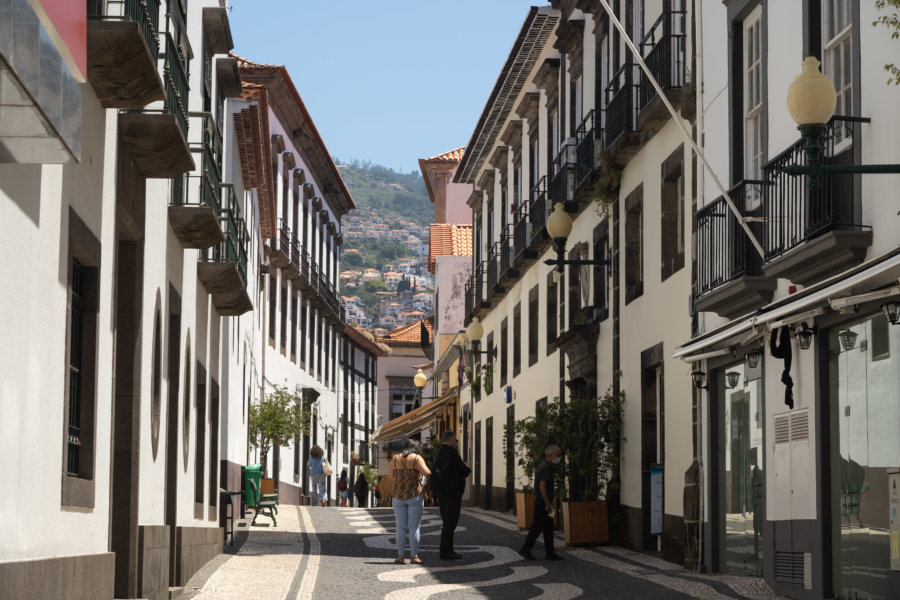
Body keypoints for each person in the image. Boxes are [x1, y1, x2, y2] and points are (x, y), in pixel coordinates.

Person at [519, 444, 563, 561]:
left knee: (548, 528)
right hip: (543, 503)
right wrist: (548, 504)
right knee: (537, 527)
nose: (559, 458)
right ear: (551, 455)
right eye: (558, 455)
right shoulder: (545, 468)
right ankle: (525, 549)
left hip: (545, 501)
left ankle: (550, 553)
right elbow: (542, 487)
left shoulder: (546, 466)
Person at [390, 440, 431, 564]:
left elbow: (391, 476)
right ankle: (414, 556)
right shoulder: (416, 458)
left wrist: (401, 482)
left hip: (398, 496)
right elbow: (428, 472)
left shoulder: (395, 458)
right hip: (414, 496)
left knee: (400, 527)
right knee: (414, 527)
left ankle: (400, 556)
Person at [432, 430, 471, 560]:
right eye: (456, 440)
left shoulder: (439, 453)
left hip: (441, 492)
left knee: (446, 521)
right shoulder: (452, 453)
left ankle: (447, 550)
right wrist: (468, 470)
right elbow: (462, 469)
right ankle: (446, 551)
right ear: (451, 440)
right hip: (452, 493)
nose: (456, 443)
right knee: (451, 523)